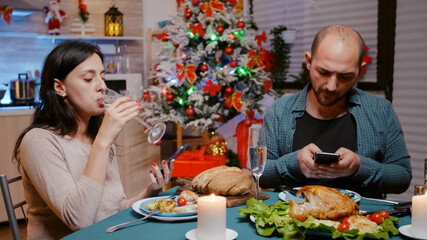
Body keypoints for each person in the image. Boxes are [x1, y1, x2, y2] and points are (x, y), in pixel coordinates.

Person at [12, 41, 174, 239]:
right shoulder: (38, 141)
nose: (103, 86)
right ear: (59, 87)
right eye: (89, 79)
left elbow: (113, 210)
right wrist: (103, 142)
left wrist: (151, 190)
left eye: (103, 77)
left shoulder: (97, 137)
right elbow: (79, 221)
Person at [259, 25, 411, 198]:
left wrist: (359, 167)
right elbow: (261, 175)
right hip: (293, 219)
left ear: (359, 71)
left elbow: (402, 177)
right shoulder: (280, 111)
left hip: (360, 221)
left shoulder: (380, 110)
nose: (331, 86)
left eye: (345, 77)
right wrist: (295, 164)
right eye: (323, 72)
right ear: (309, 62)